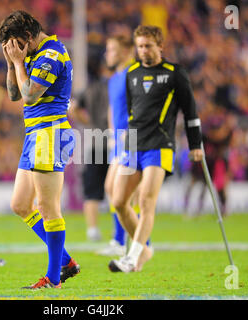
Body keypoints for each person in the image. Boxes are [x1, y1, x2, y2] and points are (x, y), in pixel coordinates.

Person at [109, 25, 203, 273]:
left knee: (147, 202)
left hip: (160, 145)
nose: (143, 51)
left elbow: (190, 113)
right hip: (133, 145)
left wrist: (195, 145)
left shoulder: (175, 73)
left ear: (160, 46)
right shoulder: (131, 74)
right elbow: (131, 113)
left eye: (148, 46)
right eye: (139, 46)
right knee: (119, 201)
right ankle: (145, 250)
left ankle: (132, 257)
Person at [0, 10, 79, 289]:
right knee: (20, 204)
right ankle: (66, 261)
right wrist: (12, 64)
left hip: (51, 133)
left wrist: (19, 64)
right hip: (35, 134)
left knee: (47, 207)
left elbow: (31, 94)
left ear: (29, 37)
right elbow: (13, 95)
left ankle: (54, 279)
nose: (15, 50)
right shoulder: (30, 54)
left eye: (17, 44)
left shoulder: (51, 54)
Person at [99, 35, 136, 256]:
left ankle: (139, 242)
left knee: (129, 193)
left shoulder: (134, 75)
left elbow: (140, 106)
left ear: (125, 50)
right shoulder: (114, 78)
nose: (108, 54)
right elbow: (113, 109)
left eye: (112, 49)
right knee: (112, 189)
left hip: (132, 138)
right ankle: (120, 241)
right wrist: (112, 133)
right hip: (118, 141)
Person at [68, 63, 111, 242]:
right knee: (122, 190)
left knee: (92, 190)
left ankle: (92, 229)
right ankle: (122, 233)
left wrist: (89, 122)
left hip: (96, 140)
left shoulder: (90, 88)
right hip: (120, 141)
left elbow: (72, 108)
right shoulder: (120, 85)